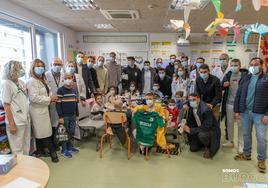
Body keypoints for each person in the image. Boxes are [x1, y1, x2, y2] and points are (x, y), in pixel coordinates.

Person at [234, 57, 268, 173]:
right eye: (252, 64)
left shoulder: (266, 79)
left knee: (261, 138)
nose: (253, 66)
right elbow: (238, 95)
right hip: (245, 112)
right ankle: (247, 154)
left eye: (256, 64)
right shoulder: (245, 78)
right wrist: (237, 110)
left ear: (262, 65)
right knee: (246, 134)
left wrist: (267, 114)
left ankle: (261, 160)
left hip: (260, 113)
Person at [27, 59, 58, 162]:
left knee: (44, 132)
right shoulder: (31, 81)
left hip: (44, 109)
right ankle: (53, 154)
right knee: (43, 133)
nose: (40, 68)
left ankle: (41, 151)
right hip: (37, 111)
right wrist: (50, 99)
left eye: (42, 66)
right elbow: (34, 98)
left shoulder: (42, 79)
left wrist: (51, 99)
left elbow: (48, 91)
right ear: (33, 68)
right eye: (38, 66)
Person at [1, 60, 30, 155]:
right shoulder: (6, 84)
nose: (22, 70)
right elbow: (6, 105)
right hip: (16, 121)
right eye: (20, 68)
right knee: (17, 149)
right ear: (12, 70)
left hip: (25, 119)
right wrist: (11, 124)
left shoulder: (21, 82)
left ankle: (27, 166)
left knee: (26, 145)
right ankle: (21, 169)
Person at [182, 93, 220, 159]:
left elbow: (207, 127)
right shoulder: (191, 106)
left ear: (199, 99)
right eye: (190, 100)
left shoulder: (206, 109)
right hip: (199, 128)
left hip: (210, 130)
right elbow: (187, 102)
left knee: (202, 135)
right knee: (193, 149)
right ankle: (202, 142)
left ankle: (208, 147)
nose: (192, 102)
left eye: (194, 100)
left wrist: (190, 130)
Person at [221, 59, 246, 151]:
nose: (233, 67)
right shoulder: (228, 75)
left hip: (240, 105)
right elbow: (221, 85)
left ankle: (241, 144)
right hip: (229, 104)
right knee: (230, 123)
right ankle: (230, 141)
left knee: (240, 125)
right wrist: (224, 85)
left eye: (236, 65)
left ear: (240, 66)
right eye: (232, 65)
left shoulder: (245, 76)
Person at [56, 73, 79, 158]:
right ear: (63, 79)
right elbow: (58, 105)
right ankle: (64, 150)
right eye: (66, 78)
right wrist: (60, 117)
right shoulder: (60, 90)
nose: (68, 79)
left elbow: (76, 104)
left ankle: (70, 147)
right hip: (65, 116)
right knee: (64, 133)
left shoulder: (74, 90)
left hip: (72, 115)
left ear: (72, 78)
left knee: (72, 132)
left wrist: (77, 115)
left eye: (70, 78)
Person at [45, 58, 64, 149]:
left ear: (62, 66)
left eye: (59, 64)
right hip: (50, 103)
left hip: (61, 102)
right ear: (51, 65)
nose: (57, 66)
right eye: (55, 64)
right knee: (51, 123)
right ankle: (53, 143)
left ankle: (59, 141)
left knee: (60, 122)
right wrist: (50, 98)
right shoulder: (46, 75)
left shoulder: (64, 75)